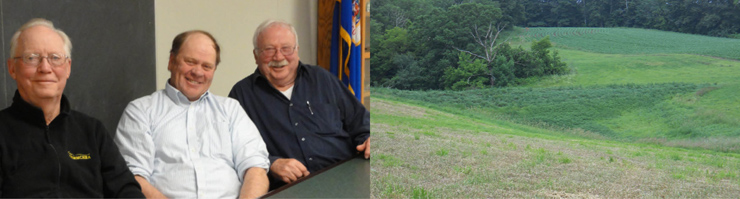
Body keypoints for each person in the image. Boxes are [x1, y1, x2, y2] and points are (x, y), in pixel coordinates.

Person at [114, 30, 270, 198]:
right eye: (190, 62)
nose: (198, 72)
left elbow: (256, 169)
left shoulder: (231, 109)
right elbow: (133, 178)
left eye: (207, 66)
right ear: (171, 61)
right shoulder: (141, 111)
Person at [0, 18, 144, 197]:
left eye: (55, 58)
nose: (45, 68)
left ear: (67, 68)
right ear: (12, 68)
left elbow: (127, 190)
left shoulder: (92, 131)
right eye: (32, 58)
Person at [229, 20, 370, 190]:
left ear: (297, 51)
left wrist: (369, 139)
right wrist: (271, 164)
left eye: (286, 48)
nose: (279, 57)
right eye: (269, 50)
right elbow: (234, 152)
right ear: (255, 55)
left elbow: (361, 122)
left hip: (346, 176)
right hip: (290, 189)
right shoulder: (241, 95)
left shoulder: (322, 78)